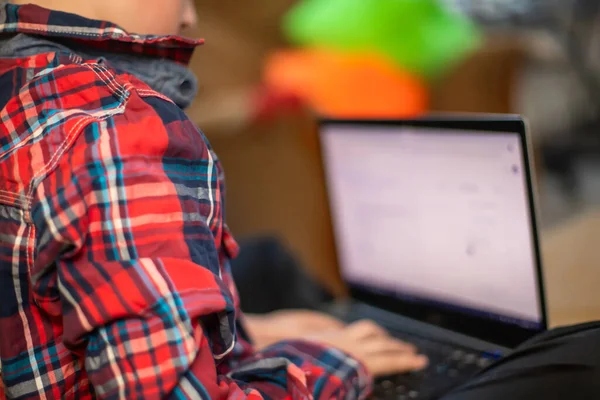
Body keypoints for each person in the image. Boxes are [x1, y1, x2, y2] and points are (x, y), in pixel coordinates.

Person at [0, 1, 427, 399]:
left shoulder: (19, 86)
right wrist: (337, 367)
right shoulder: (119, 131)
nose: (189, 16)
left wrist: (246, 335)